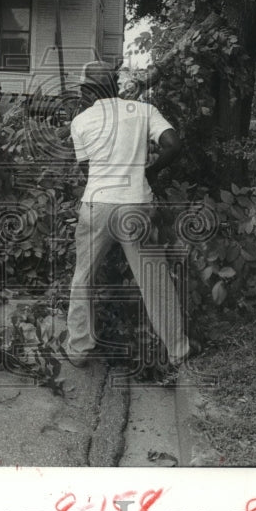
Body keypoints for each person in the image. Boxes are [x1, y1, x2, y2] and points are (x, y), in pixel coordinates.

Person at [66, 61, 191, 370]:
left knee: (83, 277)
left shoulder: (80, 121)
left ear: (88, 91)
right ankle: (178, 350)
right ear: (114, 86)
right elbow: (174, 145)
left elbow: (87, 170)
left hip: (95, 207)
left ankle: (80, 348)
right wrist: (149, 171)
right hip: (136, 206)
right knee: (154, 279)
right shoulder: (143, 111)